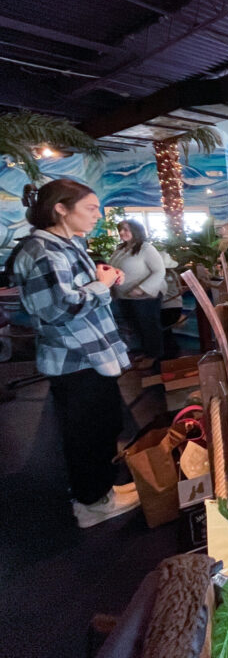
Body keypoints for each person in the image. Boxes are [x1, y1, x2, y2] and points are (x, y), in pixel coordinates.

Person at [12, 179, 141, 528]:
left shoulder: (65, 245)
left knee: (103, 427)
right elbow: (57, 309)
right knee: (86, 434)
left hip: (89, 356)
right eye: (90, 208)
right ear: (60, 209)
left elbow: (72, 294)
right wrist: (101, 285)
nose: (98, 215)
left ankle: (101, 492)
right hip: (75, 359)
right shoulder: (44, 251)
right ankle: (91, 504)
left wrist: (102, 278)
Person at [109, 219, 167, 366]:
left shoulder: (146, 248)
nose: (122, 233)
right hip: (124, 297)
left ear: (136, 231)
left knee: (148, 326)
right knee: (136, 326)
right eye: (120, 229)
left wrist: (142, 289)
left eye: (126, 230)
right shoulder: (121, 248)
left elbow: (160, 271)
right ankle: (146, 352)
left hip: (144, 297)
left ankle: (154, 355)